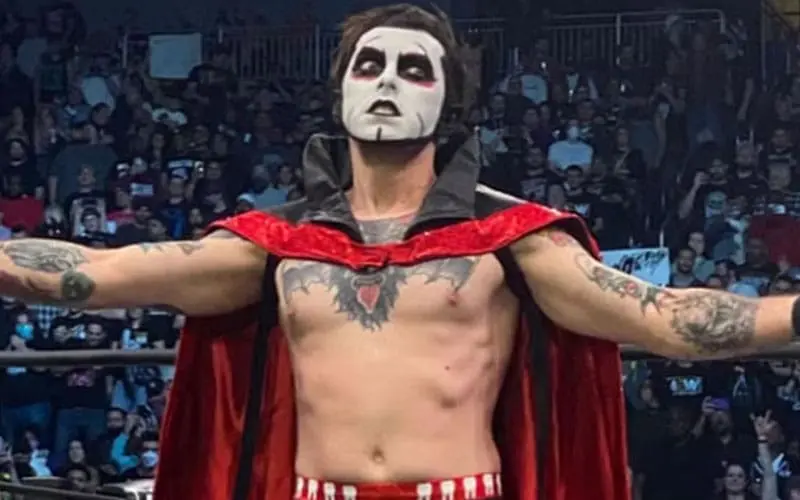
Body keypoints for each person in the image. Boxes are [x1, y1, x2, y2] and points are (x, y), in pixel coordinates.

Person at [0, 5, 797, 500]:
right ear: (342, 90)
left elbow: (671, 317)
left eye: (414, 69)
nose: (387, 81)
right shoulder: (276, 247)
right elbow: (94, 273)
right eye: (370, 65)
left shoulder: (512, 243)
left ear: (448, 101)